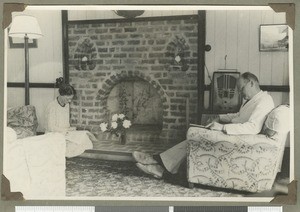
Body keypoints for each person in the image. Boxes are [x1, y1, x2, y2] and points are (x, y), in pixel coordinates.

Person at [132, 72, 275, 180]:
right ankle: (158, 165)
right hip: (235, 135)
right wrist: (220, 117)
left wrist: (222, 127)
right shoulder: (253, 100)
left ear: (251, 83)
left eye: (241, 88)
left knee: (194, 136)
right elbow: (238, 115)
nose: (239, 92)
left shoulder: (264, 101)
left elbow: (253, 128)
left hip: (239, 139)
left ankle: (157, 163)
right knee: (194, 135)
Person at [45, 83, 96, 158]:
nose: (69, 101)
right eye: (67, 98)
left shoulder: (66, 105)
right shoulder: (52, 107)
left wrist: (71, 130)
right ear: (61, 95)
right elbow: (51, 128)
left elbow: (65, 122)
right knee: (74, 144)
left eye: (70, 99)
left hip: (65, 132)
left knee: (84, 137)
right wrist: (67, 130)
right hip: (54, 134)